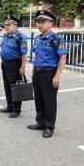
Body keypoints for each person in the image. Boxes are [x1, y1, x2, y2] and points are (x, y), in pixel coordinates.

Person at [27, 10, 67, 138]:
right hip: (38, 73)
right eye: (38, 22)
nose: (40, 24)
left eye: (43, 22)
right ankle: (40, 122)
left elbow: (62, 58)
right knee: (39, 99)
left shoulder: (57, 39)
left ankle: (49, 127)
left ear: (51, 23)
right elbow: (37, 56)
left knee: (49, 101)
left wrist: (57, 76)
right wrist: (33, 71)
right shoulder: (38, 39)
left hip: (49, 73)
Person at [0, 15, 28, 118]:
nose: (6, 27)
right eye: (5, 25)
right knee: (7, 86)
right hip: (5, 63)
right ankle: (9, 106)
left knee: (15, 87)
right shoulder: (6, 36)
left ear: (15, 25)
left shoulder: (20, 37)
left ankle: (16, 109)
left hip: (15, 64)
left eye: (9, 25)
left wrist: (23, 67)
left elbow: (24, 53)